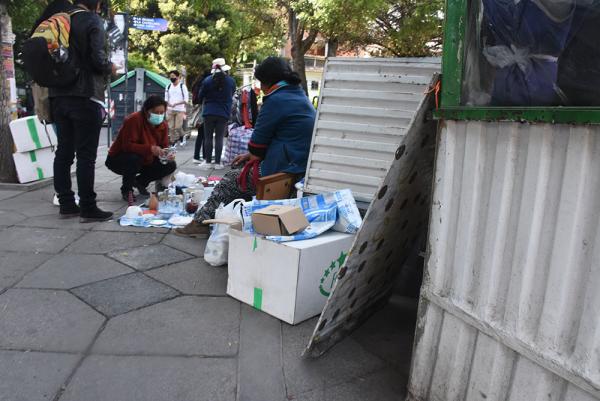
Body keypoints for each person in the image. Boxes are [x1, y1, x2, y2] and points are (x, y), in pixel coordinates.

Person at [175, 56, 316, 238]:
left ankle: (200, 223)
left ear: (266, 81)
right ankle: (235, 221)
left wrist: (252, 155)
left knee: (230, 180)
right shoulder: (298, 95)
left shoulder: (276, 100)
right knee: (241, 170)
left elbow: (257, 146)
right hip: (299, 164)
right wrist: (250, 155)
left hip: (285, 169)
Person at [48, 0, 116, 222]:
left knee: (64, 152)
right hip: (85, 95)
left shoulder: (61, 20)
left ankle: (66, 204)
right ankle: (88, 207)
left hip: (58, 95)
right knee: (85, 156)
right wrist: (110, 67)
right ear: (97, 4)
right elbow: (97, 59)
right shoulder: (91, 20)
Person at [105, 96, 176, 201]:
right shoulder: (134, 120)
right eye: (156, 112)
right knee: (134, 158)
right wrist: (150, 149)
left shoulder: (163, 125)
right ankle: (127, 190)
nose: (160, 116)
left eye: (162, 113)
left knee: (170, 165)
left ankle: (140, 182)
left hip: (146, 159)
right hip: (119, 158)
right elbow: (127, 146)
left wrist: (166, 153)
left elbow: (164, 146)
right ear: (147, 111)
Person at [197, 58, 236, 170]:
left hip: (209, 111)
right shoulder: (231, 81)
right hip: (223, 112)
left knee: (208, 137)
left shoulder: (207, 80)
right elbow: (232, 93)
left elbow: (200, 96)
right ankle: (218, 163)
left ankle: (208, 162)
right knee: (219, 138)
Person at [191, 69, 212, 163]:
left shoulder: (197, 83)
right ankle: (202, 156)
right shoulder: (205, 84)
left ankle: (199, 155)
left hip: (198, 109)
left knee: (201, 135)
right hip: (203, 110)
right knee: (205, 135)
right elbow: (202, 98)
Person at [165, 70, 189, 146]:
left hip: (180, 109)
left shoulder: (182, 86)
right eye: (170, 77)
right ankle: (173, 142)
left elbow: (186, 100)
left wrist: (176, 103)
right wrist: (168, 104)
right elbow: (166, 99)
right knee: (171, 127)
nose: (172, 78)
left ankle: (182, 136)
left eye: (173, 76)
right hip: (170, 109)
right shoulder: (168, 86)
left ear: (178, 77)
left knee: (178, 127)